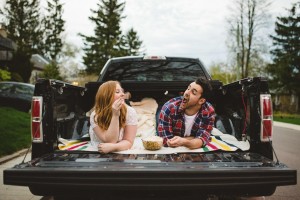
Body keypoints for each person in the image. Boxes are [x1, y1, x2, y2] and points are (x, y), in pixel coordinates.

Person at [157, 78, 215, 149]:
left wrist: (184, 141)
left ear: (201, 101)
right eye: (188, 88)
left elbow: (202, 140)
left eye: (193, 92)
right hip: (162, 113)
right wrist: (194, 139)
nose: (187, 93)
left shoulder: (208, 111)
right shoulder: (169, 108)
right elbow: (166, 141)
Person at [89, 81, 137, 153]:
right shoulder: (95, 115)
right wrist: (115, 115)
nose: (123, 94)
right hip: (97, 152)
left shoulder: (130, 111)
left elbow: (128, 141)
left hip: (121, 151)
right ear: (106, 96)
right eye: (117, 92)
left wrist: (114, 147)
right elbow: (110, 140)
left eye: (122, 91)